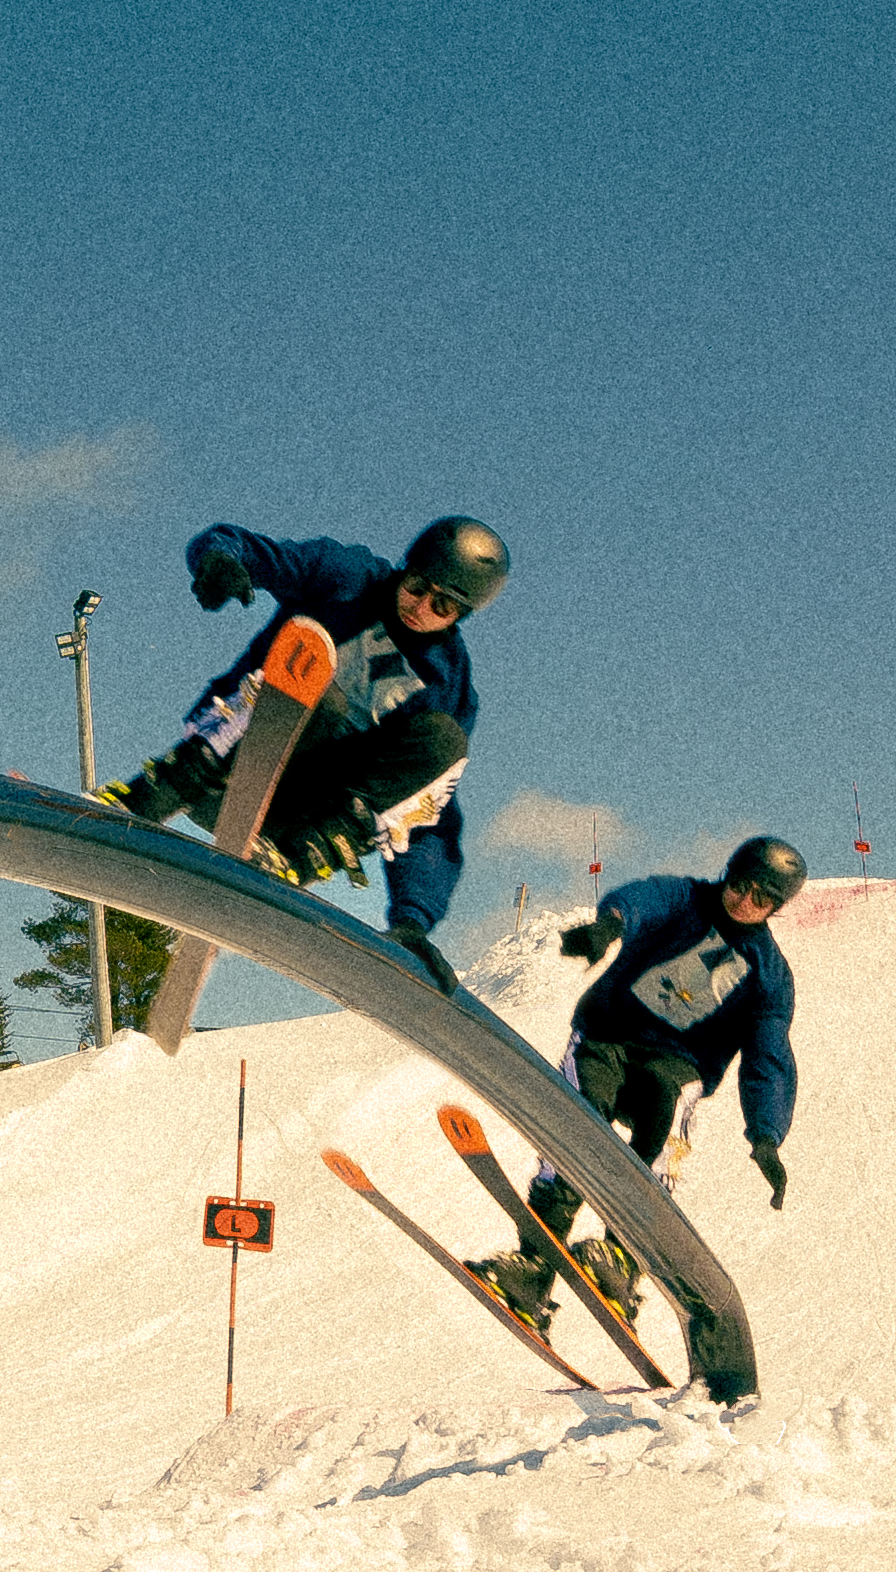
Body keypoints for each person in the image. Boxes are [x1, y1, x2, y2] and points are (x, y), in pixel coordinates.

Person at [99, 513, 511, 994]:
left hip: (302, 810)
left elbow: (428, 814)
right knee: (320, 683)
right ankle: (161, 790)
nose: (420, 607)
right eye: (417, 586)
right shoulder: (346, 577)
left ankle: (301, 856)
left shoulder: (447, 684)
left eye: (441, 605)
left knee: (444, 741)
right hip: (232, 761)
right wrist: (222, 562)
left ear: (461, 615)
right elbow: (245, 545)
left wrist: (412, 920)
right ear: (405, 568)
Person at [488, 836, 802, 1321]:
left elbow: (770, 1055)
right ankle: (533, 1269)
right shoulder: (686, 899)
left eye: (763, 898)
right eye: (741, 886)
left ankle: (622, 1260)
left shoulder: (769, 976)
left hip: (678, 1065)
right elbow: (642, 900)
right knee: (574, 1130)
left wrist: (766, 1133)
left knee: (663, 1121)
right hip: (605, 1037)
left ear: (776, 908)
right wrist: (609, 926)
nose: (745, 902)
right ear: (728, 874)